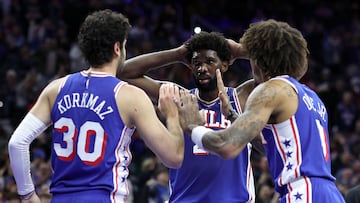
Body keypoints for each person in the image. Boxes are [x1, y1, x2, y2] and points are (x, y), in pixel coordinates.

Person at [7, 9, 184, 203]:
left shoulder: (56, 88)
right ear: (118, 48)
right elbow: (173, 157)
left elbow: (17, 143)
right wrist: (173, 116)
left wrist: (27, 194)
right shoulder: (129, 96)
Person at [175, 19, 346, 202]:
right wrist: (232, 115)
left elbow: (226, 146)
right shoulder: (311, 97)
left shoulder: (270, 90)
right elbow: (271, 148)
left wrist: (193, 127)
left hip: (302, 193)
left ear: (257, 59)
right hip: (330, 193)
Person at [120, 31, 256, 202]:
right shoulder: (180, 98)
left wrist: (240, 51)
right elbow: (124, 72)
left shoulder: (241, 97)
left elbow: (285, 66)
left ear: (225, 65)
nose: (202, 68)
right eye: (196, 63)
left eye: (210, 61)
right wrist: (176, 54)